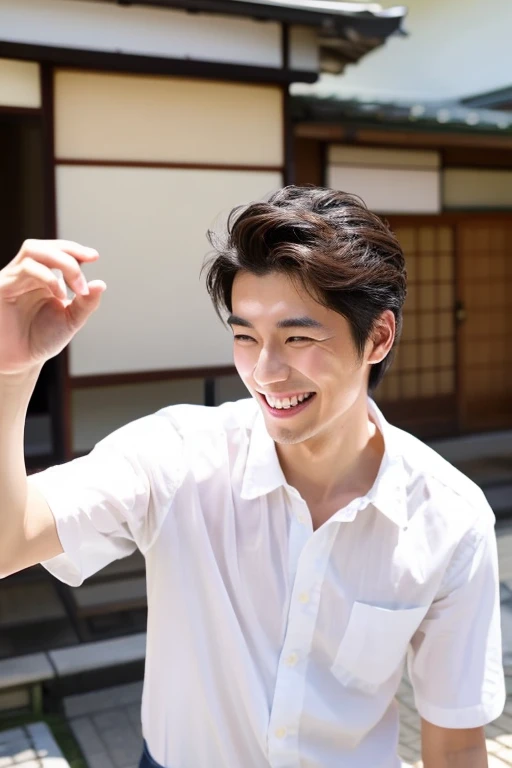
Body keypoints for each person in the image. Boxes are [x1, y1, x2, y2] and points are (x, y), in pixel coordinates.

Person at [0, 186, 505, 768]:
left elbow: (457, 739)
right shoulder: (177, 455)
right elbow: (11, 540)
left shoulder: (449, 515)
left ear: (379, 336)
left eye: (298, 337)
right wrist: (13, 374)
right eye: (245, 336)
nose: (265, 372)